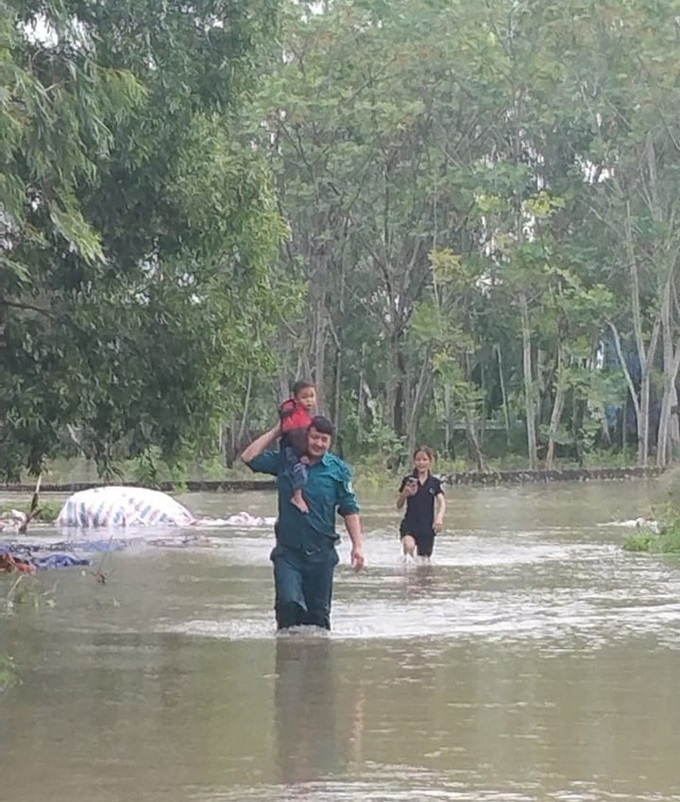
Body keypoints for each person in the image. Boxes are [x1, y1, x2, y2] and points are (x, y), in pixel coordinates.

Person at [240, 414, 365, 631]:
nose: (318, 443)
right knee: (288, 606)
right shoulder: (287, 461)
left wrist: (358, 546)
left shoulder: (339, 470)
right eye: (315, 437)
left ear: (330, 442)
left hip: (322, 556)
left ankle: (316, 662)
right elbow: (248, 458)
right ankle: (287, 660)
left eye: (324, 439)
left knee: (318, 620)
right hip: (289, 553)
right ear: (306, 436)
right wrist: (277, 430)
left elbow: (349, 509)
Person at [396, 446, 446, 561]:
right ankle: (407, 575)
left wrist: (439, 518)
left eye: (424, 459)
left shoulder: (435, 483)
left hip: (427, 528)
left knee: (424, 562)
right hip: (410, 524)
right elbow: (398, 505)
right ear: (414, 461)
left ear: (430, 461)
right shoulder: (408, 480)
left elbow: (442, 502)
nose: (421, 463)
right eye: (418, 460)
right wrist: (405, 493)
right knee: (409, 547)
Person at [278, 380, 317, 513]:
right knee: (300, 469)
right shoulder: (297, 416)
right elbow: (297, 438)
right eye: (304, 397)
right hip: (292, 450)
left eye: (311, 396)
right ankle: (297, 496)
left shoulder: (299, 414)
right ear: (296, 399)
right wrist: (303, 455)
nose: (309, 400)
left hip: (292, 448)